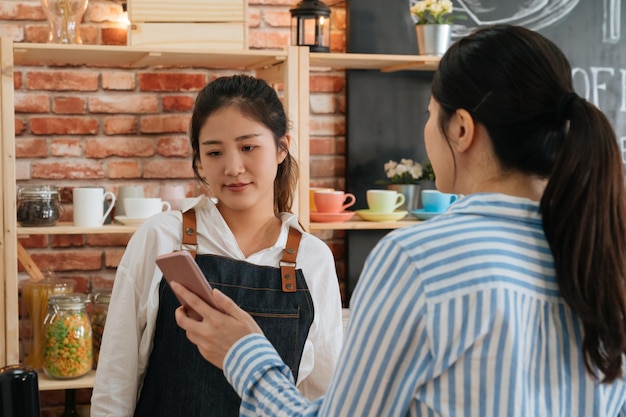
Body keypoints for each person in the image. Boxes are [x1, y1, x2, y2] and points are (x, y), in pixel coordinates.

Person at [171, 24, 626, 416]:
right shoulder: (604, 256)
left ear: (462, 129)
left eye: (430, 115)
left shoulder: (420, 259)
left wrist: (243, 353)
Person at [90, 74, 344, 417]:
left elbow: (321, 393)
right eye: (214, 151)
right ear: (199, 160)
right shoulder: (162, 237)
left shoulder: (313, 258)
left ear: (282, 147)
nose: (233, 167)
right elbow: (115, 381)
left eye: (248, 147)